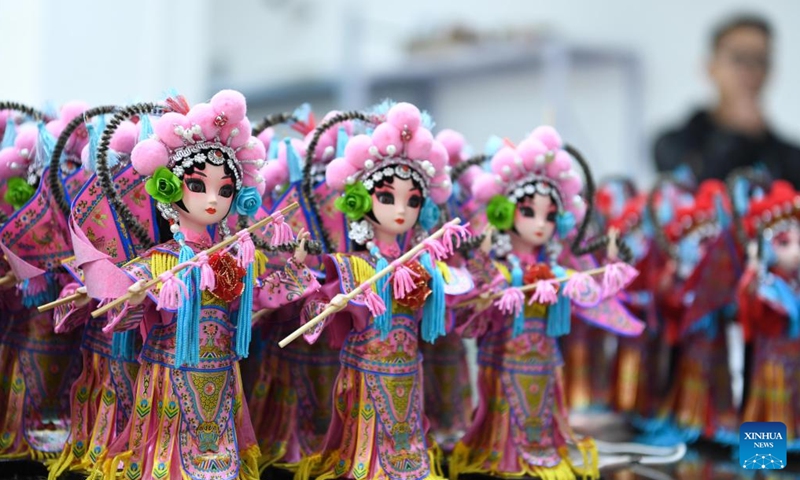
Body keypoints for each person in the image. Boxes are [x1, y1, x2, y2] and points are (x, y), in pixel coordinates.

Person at [654, 14, 800, 187]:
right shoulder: (674, 144)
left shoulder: (789, 157)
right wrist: (738, 137)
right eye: (739, 58)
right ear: (711, 67)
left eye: (761, 60)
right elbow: (698, 186)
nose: (751, 70)